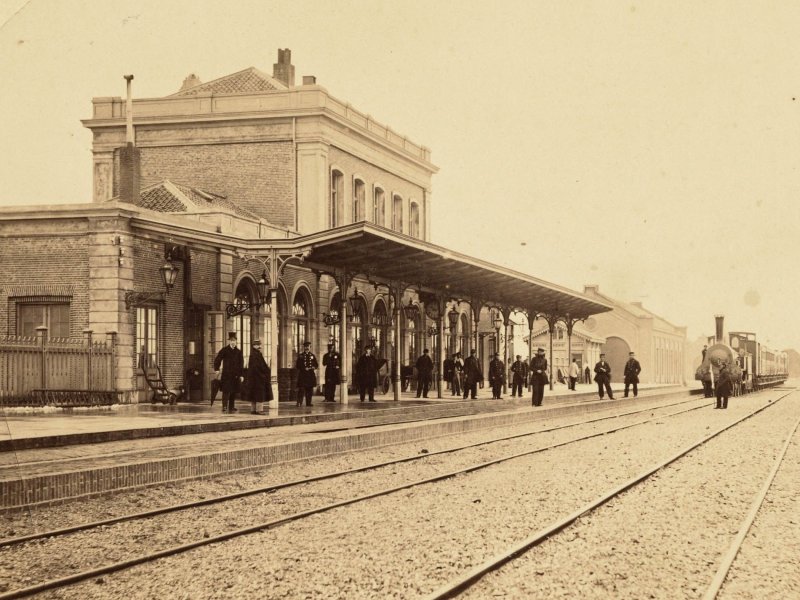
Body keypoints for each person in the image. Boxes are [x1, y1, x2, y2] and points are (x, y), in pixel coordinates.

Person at [213, 331, 244, 414]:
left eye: (234, 340)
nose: (233, 342)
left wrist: (241, 374)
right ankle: (224, 406)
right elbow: (218, 359)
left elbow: (241, 364)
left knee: (233, 391)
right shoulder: (225, 350)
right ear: (229, 341)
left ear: (236, 341)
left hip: (235, 375)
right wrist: (217, 369)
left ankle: (231, 406)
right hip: (226, 374)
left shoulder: (239, 352)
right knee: (226, 391)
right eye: (231, 340)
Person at [246, 339, 271, 415]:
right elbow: (258, 367)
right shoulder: (256, 355)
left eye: (260, 344)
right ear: (254, 346)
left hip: (253, 378)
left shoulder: (254, 354)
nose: (260, 346)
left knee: (254, 393)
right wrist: (264, 374)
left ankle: (253, 409)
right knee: (260, 393)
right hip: (258, 377)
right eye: (258, 345)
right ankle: (259, 410)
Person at [295, 341, 318, 407]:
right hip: (303, 375)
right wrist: (304, 368)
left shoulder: (312, 356)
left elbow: (316, 364)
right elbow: (297, 365)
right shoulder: (301, 356)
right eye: (305, 347)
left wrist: (314, 367)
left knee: (309, 389)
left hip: (310, 375)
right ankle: (299, 402)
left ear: (310, 347)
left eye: (308, 347)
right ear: (304, 347)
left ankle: (308, 403)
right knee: (301, 389)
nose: (307, 348)